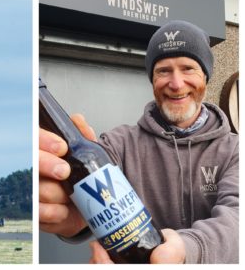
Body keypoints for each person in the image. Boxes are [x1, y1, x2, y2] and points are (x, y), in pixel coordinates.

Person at [39, 20, 239, 263]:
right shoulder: (119, 144)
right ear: (152, 80)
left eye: (188, 68)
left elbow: (238, 219)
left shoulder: (235, 150)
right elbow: (79, 184)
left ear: (206, 77)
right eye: (163, 70)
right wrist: (70, 211)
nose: (176, 84)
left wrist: (187, 248)